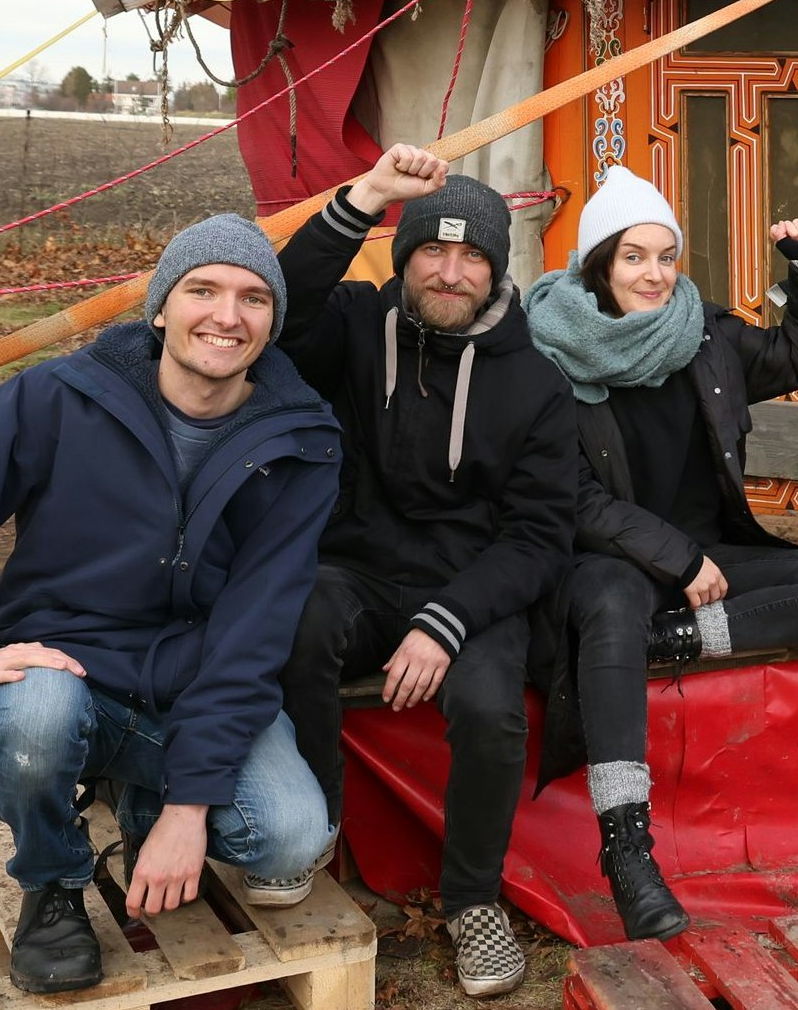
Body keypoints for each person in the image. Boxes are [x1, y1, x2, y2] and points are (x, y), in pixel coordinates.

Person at [0, 215, 341, 995]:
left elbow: (253, 632)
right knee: (35, 720)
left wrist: (187, 808)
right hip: (63, 668)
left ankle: (140, 798)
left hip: (194, 686)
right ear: (160, 308)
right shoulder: (56, 399)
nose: (226, 315)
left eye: (253, 298)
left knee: (288, 837)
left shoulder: (300, 444)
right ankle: (52, 884)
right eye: (201, 290)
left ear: (272, 323)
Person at [524, 165, 798, 942]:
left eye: (666, 256)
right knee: (612, 606)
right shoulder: (547, 351)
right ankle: (627, 851)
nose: (654, 274)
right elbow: (573, 500)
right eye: (633, 257)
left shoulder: (703, 333)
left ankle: (672, 640)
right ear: (599, 263)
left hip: (707, 560)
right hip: (605, 563)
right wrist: (676, 560)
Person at [273, 144, 576, 1000]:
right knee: (298, 622)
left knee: (488, 708)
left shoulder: (536, 385)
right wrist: (363, 198)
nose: (449, 271)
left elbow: (538, 537)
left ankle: (472, 899)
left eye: (471, 255)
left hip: (474, 588)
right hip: (359, 571)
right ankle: (312, 839)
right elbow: (281, 310)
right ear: (403, 257)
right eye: (432, 251)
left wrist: (446, 622)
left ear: (496, 269)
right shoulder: (356, 328)